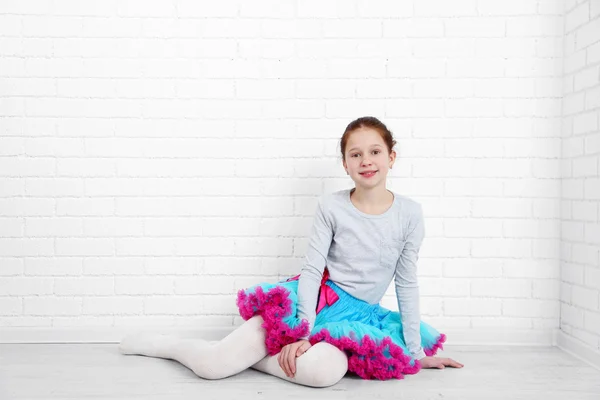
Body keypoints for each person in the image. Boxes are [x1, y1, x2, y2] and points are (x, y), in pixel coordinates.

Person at [119, 116, 463, 387]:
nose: (366, 161)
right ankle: (166, 344)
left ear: (391, 157)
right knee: (213, 367)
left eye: (374, 152)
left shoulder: (410, 214)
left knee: (326, 372)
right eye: (355, 154)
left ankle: (253, 356)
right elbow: (313, 271)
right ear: (345, 164)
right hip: (313, 303)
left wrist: (416, 352)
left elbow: (406, 283)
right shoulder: (332, 206)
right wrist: (301, 331)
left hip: (356, 318)